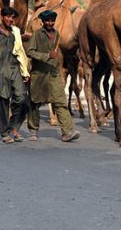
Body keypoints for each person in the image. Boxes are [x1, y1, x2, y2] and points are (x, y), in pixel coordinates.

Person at [25, 10, 80, 142]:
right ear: (43, 22)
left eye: (52, 21)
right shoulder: (37, 35)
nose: (50, 23)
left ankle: (67, 132)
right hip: (39, 75)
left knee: (60, 102)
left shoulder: (57, 34)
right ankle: (33, 130)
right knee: (35, 103)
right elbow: (30, 52)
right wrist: (46, 56)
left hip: (54, 74)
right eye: (47, 21)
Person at [0, 6, 27, 143]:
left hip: (14, 68)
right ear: (2, 17)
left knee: (22, 98)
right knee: (2, 100)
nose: (10, 20)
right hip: (0, 69)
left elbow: (20, 51)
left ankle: (14, 126)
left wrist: (24, 69)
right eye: (8, 17)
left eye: (12, 17)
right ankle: (5, 133)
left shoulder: (15, 33)